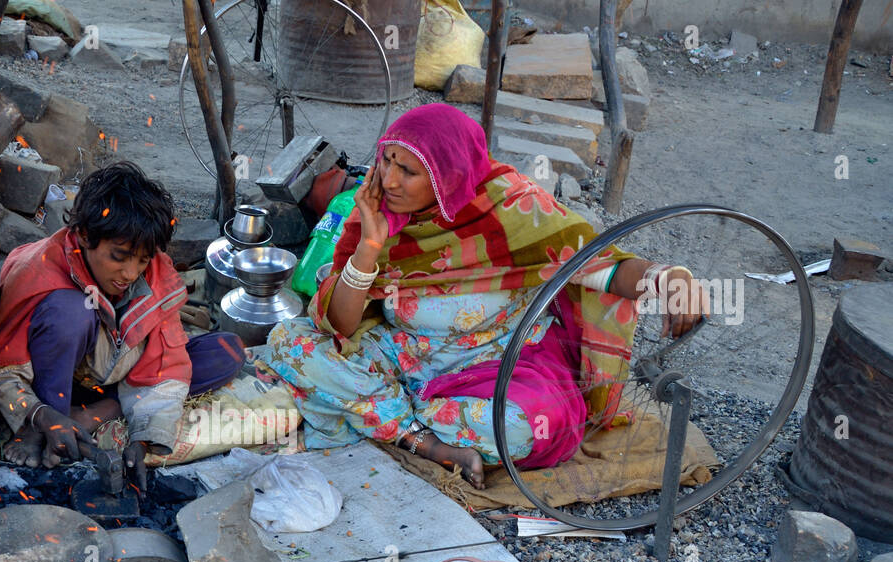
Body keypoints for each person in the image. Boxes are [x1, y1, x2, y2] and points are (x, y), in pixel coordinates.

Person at [266, 103, 707, 489]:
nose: (389, 180)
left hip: (501, 362)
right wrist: (370, 247)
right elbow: (341, 324)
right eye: (387, 162)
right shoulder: (376, 212)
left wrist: (669, 278)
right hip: (403, 352)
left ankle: (375, 409)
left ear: (448, 175)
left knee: (527, 429)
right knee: (288, 340)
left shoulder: (512, 208)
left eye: (409, 171)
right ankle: (418, 438)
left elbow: (603, 267)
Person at [0, 161, 245, 488]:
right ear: (83, 235)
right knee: (71, 311)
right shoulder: (35, 268)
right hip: (54, 375)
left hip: (117, 373)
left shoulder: (153, 269)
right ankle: (43, 425)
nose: (130, 273)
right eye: (119, 257)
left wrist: (143, 438)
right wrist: (38, 413)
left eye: (142, 260)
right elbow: (1, 369)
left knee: (226, 351)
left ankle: (89, 415)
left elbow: (166, 361)